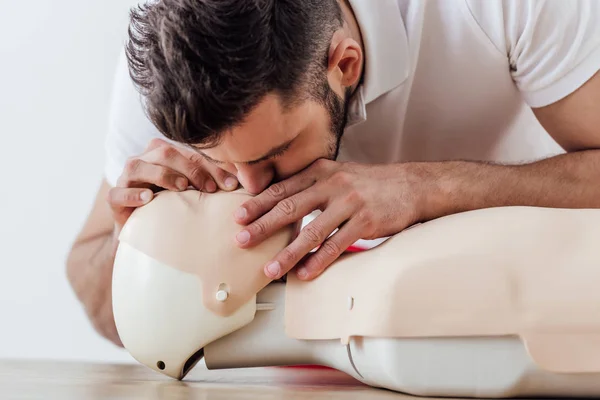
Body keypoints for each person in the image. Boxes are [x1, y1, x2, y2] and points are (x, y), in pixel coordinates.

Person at [66, 0, 600, 347]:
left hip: (525, 338)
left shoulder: (495, 9)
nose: (253, 189)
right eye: (226, 163)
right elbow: (95, 293)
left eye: (273, 155)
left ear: (345, 64)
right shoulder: (174, 64)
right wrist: (137, 242)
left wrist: (427, 189)